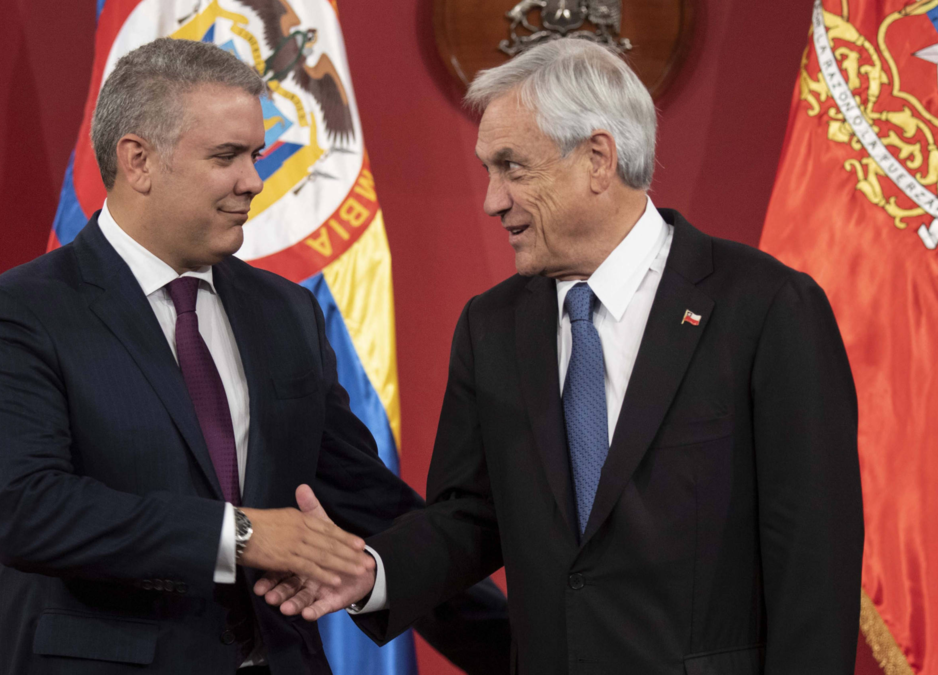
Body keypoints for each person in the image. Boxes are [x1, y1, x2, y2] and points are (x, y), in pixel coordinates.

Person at [265, 38, 865, 674]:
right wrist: (372, 571)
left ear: (598, 160)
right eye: (488, 170)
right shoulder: (491, 327)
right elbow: (470, 517)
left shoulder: (765, 307)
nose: (493, 199)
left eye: (512, 168)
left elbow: (814, 557)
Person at [0, 38, 506, 675]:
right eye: (226, 156)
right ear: (138, 160)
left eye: (255, 155)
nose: (254, 181)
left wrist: (526, 651)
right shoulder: (21, 312)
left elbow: (368, 505)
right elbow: (27, 510)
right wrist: (238, 533)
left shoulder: (285, 311)